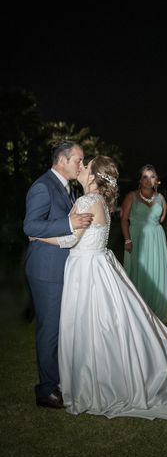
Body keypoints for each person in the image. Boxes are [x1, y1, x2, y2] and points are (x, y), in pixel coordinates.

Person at [30, 156, 167, 421]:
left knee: (91, 323)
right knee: (103, 324)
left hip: (86, 270)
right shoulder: (101, 202)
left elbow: (70, 239)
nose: (80, 168)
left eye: (86, 165)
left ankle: (96, 379)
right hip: (98, 265)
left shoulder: (85, 202)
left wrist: (38, 235)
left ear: (93, 176)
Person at [23, 140, 93, 409]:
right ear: (62, 161)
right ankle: (46, 391)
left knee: (61, 327)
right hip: (46, 269)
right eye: (78, 160)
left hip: (63, 265)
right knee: (49, 330)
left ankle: (60, 378)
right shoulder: (43, 186)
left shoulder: (67, 188)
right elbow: (30, 225)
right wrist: (68, 223)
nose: (81, 165)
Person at [120, 164, 167, 322]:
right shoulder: (131, 196)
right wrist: (127, 239)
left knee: (156, 271)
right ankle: (139, 311)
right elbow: (124, 219)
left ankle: (158, 308)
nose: (148, 180)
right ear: (140, 179)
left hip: (156, 239)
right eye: (145, 176)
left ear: (156, 180)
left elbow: (161, 219)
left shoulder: (161, 198)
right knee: (140, 272)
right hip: (137, 238)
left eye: (152, 177)